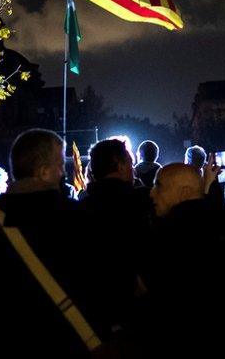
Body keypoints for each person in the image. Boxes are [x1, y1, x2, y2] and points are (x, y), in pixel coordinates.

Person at [0, 129, 100, 357]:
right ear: (44, 171)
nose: (63, 172)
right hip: (65, 341)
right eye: (60, 165)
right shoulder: (74, 218)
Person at [145, 163, 225, 354]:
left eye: (158, 186)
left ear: (184, 193)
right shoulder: (221, 228)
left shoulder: (168, 238)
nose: (151, 194)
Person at [80, 138, 153, 332]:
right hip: (138, 307)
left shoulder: (80, 210)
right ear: (120, 166)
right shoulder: (142, 202)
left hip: (95, 309)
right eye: (130, 163)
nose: (133, 169)